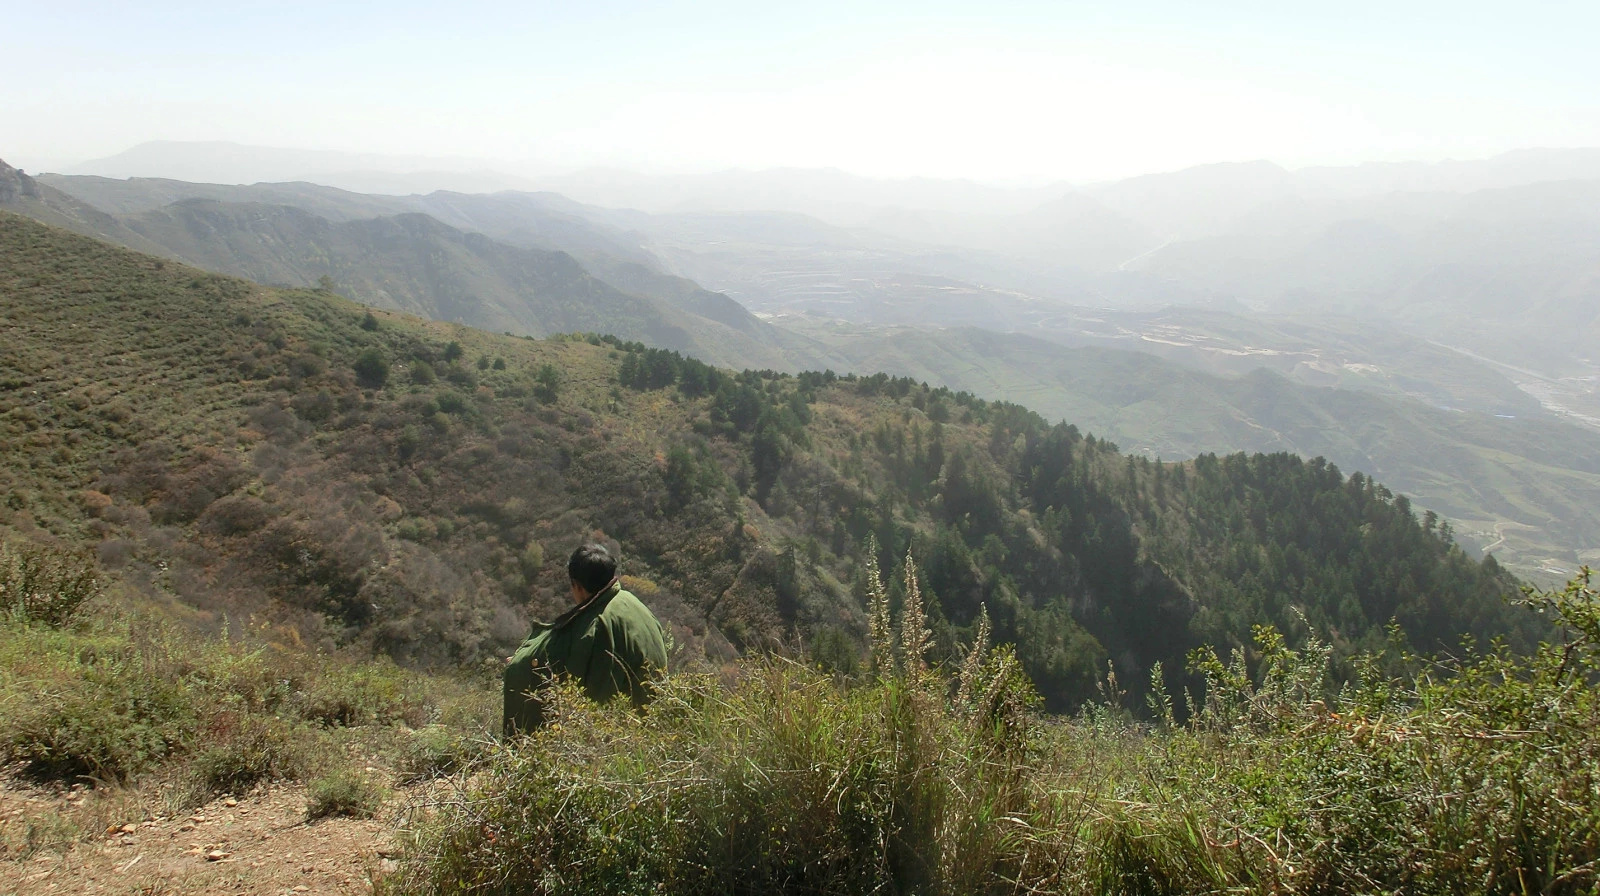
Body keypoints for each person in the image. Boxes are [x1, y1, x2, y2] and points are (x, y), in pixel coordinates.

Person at [502, 543, 669, 735]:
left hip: (626, 736)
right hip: (655, 721)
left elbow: (574, 674)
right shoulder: (631, 602)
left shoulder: (597, 627)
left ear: (577, 586)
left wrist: (519, 665)